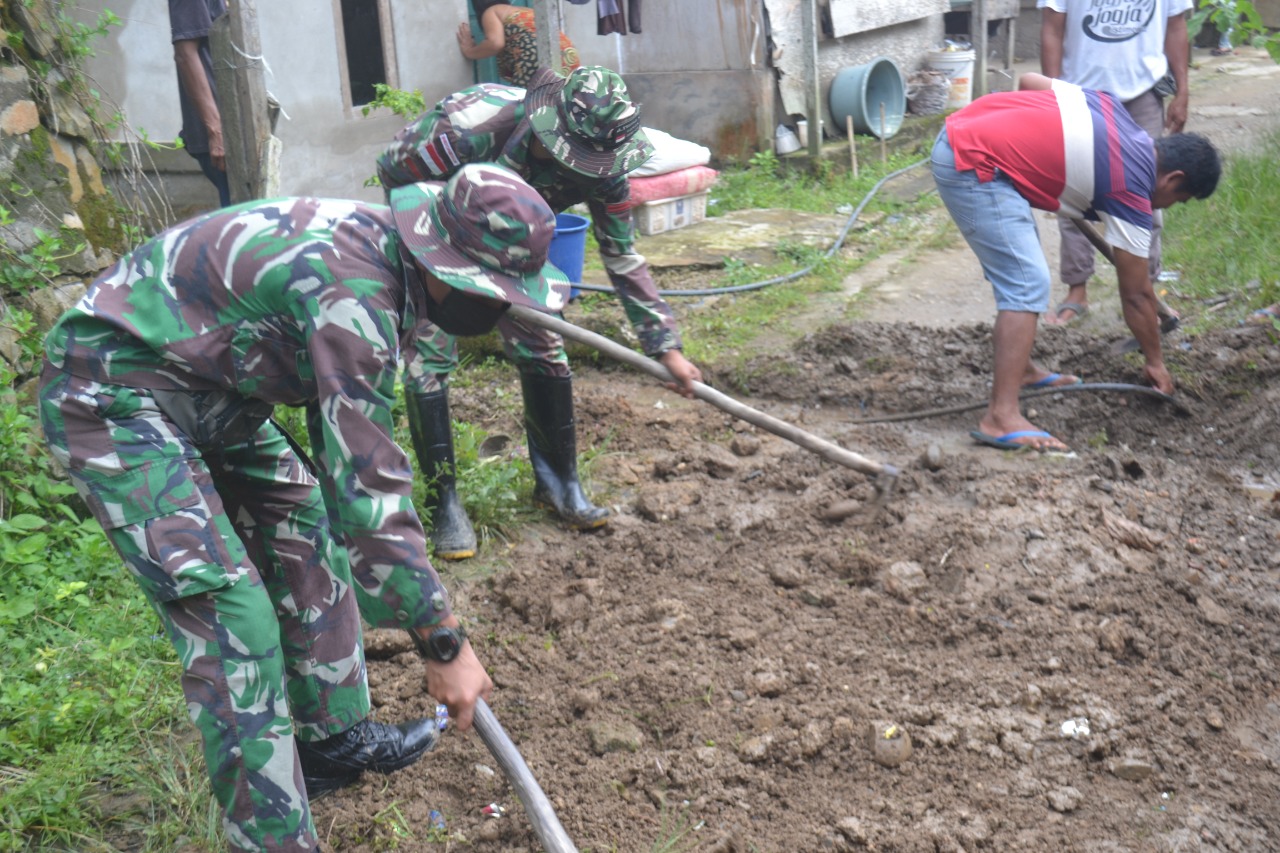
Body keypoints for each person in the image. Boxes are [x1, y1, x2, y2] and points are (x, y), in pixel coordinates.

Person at [37, 164, 570, 852]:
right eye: (488, 290)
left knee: (302, 517)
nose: (493, 306)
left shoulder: (392, 268)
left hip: (210, 387)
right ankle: (272, 838)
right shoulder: (354, 294)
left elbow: (349, 475)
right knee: (234, 615)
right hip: (110, 389)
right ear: (445, 260)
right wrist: (442, 640)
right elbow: (372, 488)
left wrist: (423, 615)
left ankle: (329, 739)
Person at [377, 65, 703, 560]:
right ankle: (444, 500)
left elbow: (622, 257)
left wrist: (666, 345)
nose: (592, 170)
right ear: (552, 130)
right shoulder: (470, 127)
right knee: (429, 351)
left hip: (516, 247)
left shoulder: (609, 164)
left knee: (545, 344)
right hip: (445, 235)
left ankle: (558, 484)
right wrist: (431, 262)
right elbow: (395, 171)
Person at [930, 72, 1221, 452]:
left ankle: (1023, 371)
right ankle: (1000, 416)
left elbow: (1029, 81)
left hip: (969, 131)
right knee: (1026, 283)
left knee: (1024, 268)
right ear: (1173, 179)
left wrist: (1047, 151)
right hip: (971, 163)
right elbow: (1136, 295)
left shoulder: (1111, 110)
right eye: (1178, 200)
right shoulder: (1131, 189)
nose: (1168, 207)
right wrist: (1155, 362)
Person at [1038, 0, 1192, 325]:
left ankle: (1146, 291)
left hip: (1143, 95)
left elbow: (1176, 26)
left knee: (1147, 196)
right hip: (1080, 93)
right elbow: (1052, 28)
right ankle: (1076, 289)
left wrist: (1183, 91)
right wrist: (1052, 98)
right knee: (1074, 192)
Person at [169, 0, 231, 207]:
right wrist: (216, 131)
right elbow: (185, 55)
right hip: (222, 134)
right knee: (240, 223)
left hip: (236, 128)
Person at [456, 0, 581, 88]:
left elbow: (495, 43)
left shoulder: (491, 11)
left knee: (524, 107)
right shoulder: (522, 10)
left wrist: (469, 51)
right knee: (559, 101)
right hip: (567, 54)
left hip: (535, 56)